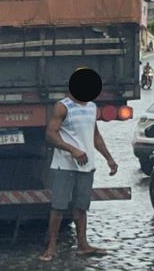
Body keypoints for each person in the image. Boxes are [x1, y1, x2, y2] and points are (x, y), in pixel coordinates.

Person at [39, 94, 118, 262]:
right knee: (58, 207)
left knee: (81, 207)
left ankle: (83, 245)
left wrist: (109, 158)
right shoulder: (63, 106)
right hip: (64, 165)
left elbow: (95, 135)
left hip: (86, 165)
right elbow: (51, 134)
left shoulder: (91, 107)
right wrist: (72, 150)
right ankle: (51, 247)